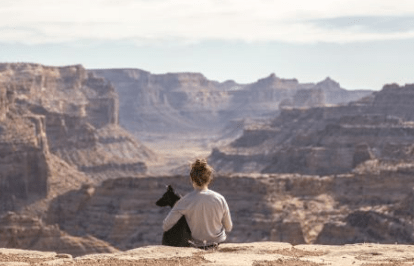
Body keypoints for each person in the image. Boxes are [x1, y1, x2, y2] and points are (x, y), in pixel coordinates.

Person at [162, 158, 233, 249]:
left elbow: (166, 225)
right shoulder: (220, 199)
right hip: (218, 245)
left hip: (198, 247)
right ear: (209, 179)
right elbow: (228, 227)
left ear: (192, 179)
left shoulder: (184, 201)